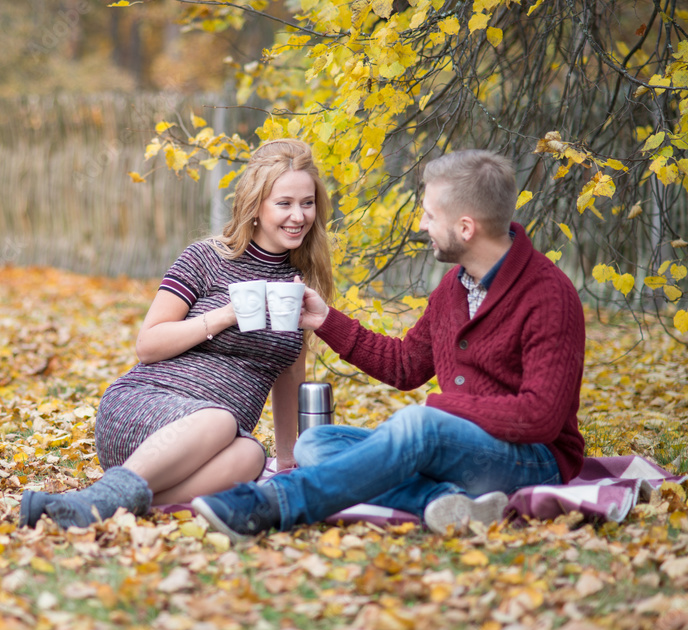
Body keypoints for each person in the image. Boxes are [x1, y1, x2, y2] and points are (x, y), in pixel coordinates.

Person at [191, 149, 586, 540]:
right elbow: (405, 365)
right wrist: (326, 320)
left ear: (466, 228)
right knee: (318, 444)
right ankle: (448, 502)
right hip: (459, 450)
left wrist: (440, 412)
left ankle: (272, 504)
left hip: (533, 458)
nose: (421, 224)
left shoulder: (548, 294)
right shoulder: (454, 289)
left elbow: (541, 416)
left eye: (430, 215)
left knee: (419, 425)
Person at [19, 138, 335, 529]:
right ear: (255, 207)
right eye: (284, 203)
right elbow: (147, 345)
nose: (298, 215)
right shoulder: (207, 258)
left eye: (307, 203)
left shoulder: (297, 284)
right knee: (221, 420)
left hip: (208, 448)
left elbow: (288, 372)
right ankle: (105, 496)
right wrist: (225, 316)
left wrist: (289, 460)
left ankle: (92, 506)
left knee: (251, 454)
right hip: (144, 410)